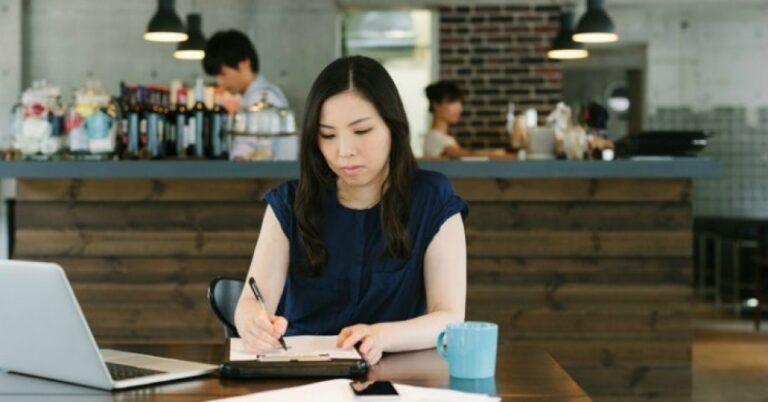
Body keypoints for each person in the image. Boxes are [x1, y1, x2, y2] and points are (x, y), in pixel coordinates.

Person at [234, 56, 468, 365]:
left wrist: (382, 336)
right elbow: (252, 300)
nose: (344, 151)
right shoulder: (289, 203)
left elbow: (449, 318)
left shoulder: (432, 199)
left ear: (392, 126)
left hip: (397, 375)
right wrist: (251, 320)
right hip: (301, 375)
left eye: (361, 131)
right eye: (328, 135)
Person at [202, 29, 289, 108]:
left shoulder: (262, 98)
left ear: (244, 64)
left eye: (223, 74)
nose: (219, 82)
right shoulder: (252, 96)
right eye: (216, 76)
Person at [423, 81, 473, 159]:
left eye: (460, 103)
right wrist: (493, 154)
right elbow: (459, 153)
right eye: (452, 102)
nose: (459, 109)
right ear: (436, 105)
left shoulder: (446, 138)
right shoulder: (433, 137)